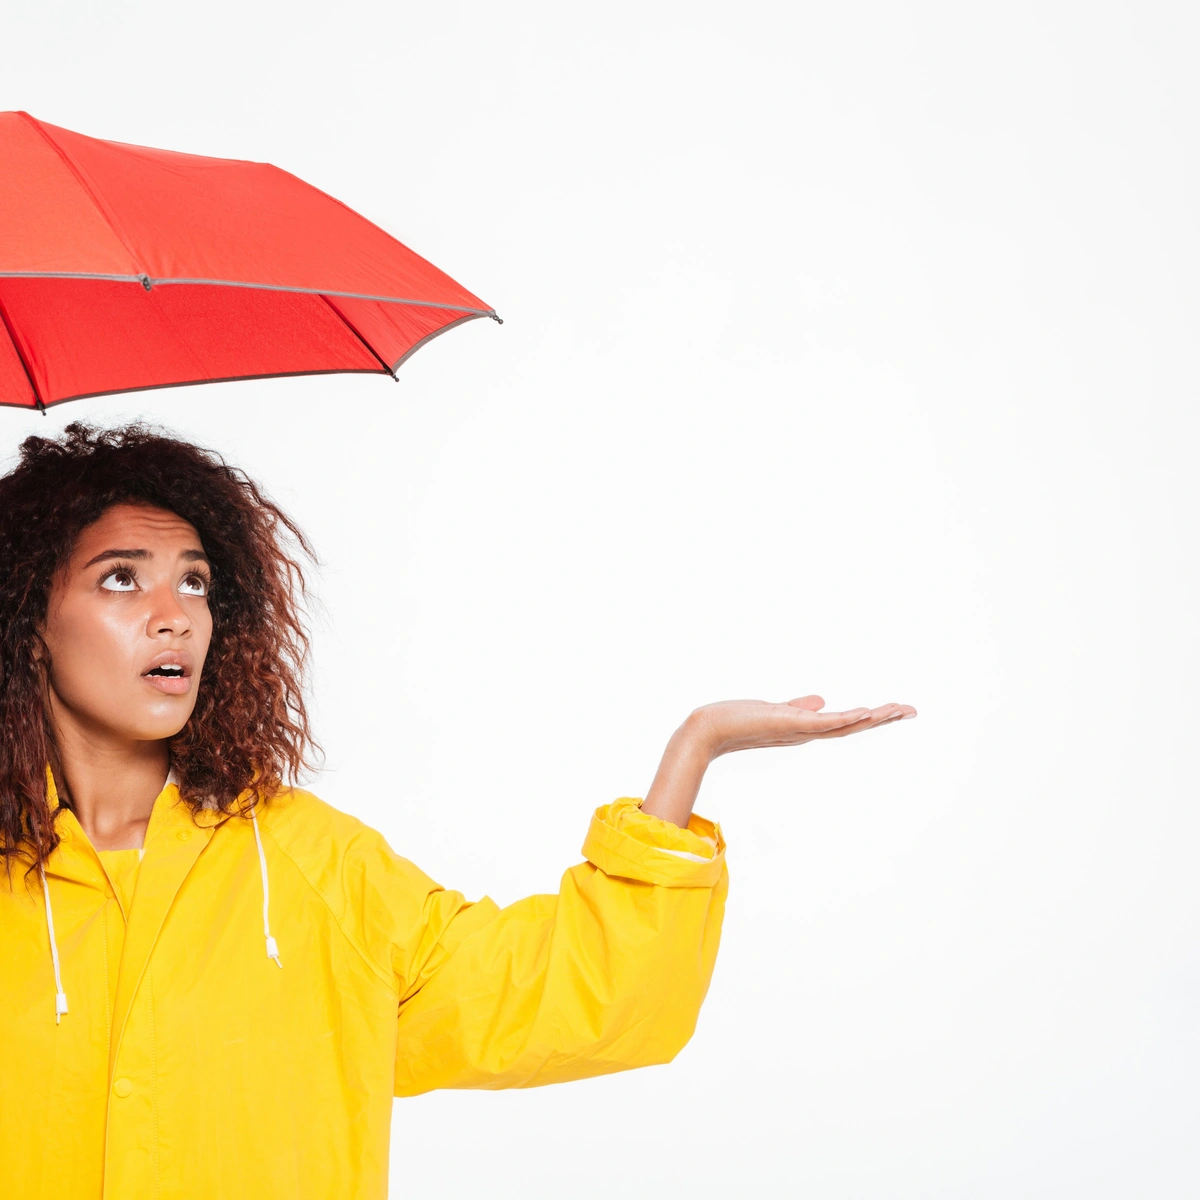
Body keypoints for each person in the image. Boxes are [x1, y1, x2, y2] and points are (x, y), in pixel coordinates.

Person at [0, 423, 916, 1200]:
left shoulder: (309, 867)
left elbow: (561, 992)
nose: (174, 617)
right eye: (122, 579)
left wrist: (695, 749)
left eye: (194, 582)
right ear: (28, 620)